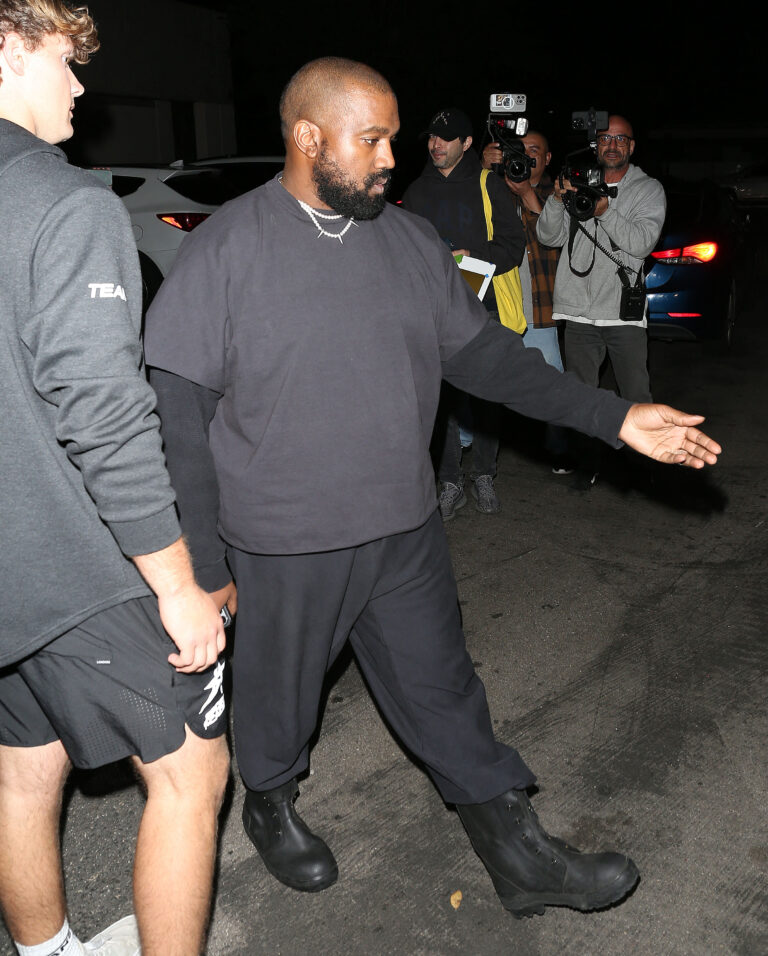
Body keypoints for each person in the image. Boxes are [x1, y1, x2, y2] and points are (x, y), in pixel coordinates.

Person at [143, 57, 720, 921]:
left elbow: (485, 358)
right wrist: (203, 560)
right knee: (280, 692)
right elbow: (178, 414)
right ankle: (269, 799)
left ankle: (520, 859)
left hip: (403, 527)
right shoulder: (228, 246)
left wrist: (616, 417)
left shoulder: (408, 241)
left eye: (393, 138)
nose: (389, 157)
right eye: (370, 139)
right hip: (285, 539)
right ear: (309, 137)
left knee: (445, 690)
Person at [0, 3, 230, 955]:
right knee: (191, 774)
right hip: (64, 563)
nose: (81, 87)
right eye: (64, 61)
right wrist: (178, 588)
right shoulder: (64, 203)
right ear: (6, 48)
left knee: (20, 766)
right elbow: (103, 417)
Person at [401, 108, 525, 518]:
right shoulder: (416, 191)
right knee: (446, 398)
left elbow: (513, 245)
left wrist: (475, 257)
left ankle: (485, 473)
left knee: (489, 393)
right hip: (437, 311)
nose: (436, 144)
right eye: (432, 137)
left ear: (467, 143)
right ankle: (451, 480)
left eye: (446, 138)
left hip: (483, 306)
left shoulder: (490, 185)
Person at [536, 115, 666, 488]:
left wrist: (604, 211)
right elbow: (549, 237)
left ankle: (645, 469)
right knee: (581, 396)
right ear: (596, 145)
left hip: (621, 313)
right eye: (605, 138)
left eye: (620, 139)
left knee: (636, 395)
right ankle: (588, 461)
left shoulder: (648, 189)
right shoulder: (579, 179)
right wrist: (559, 201)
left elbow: (641, 243)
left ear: (631, 146)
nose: (612, 145)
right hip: (577, 311)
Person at [482, 129, 573, 473]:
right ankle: (465, 450)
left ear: (547, 159)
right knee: (479, 380)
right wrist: (482, 167)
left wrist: (526, 193)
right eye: (518, 151)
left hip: (537, 310)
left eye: (534, 150)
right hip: (498, 308)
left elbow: (553, 240)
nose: (526, 157)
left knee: (553, 383)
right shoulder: (490, 188)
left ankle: (560, 450)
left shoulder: (557, 195)